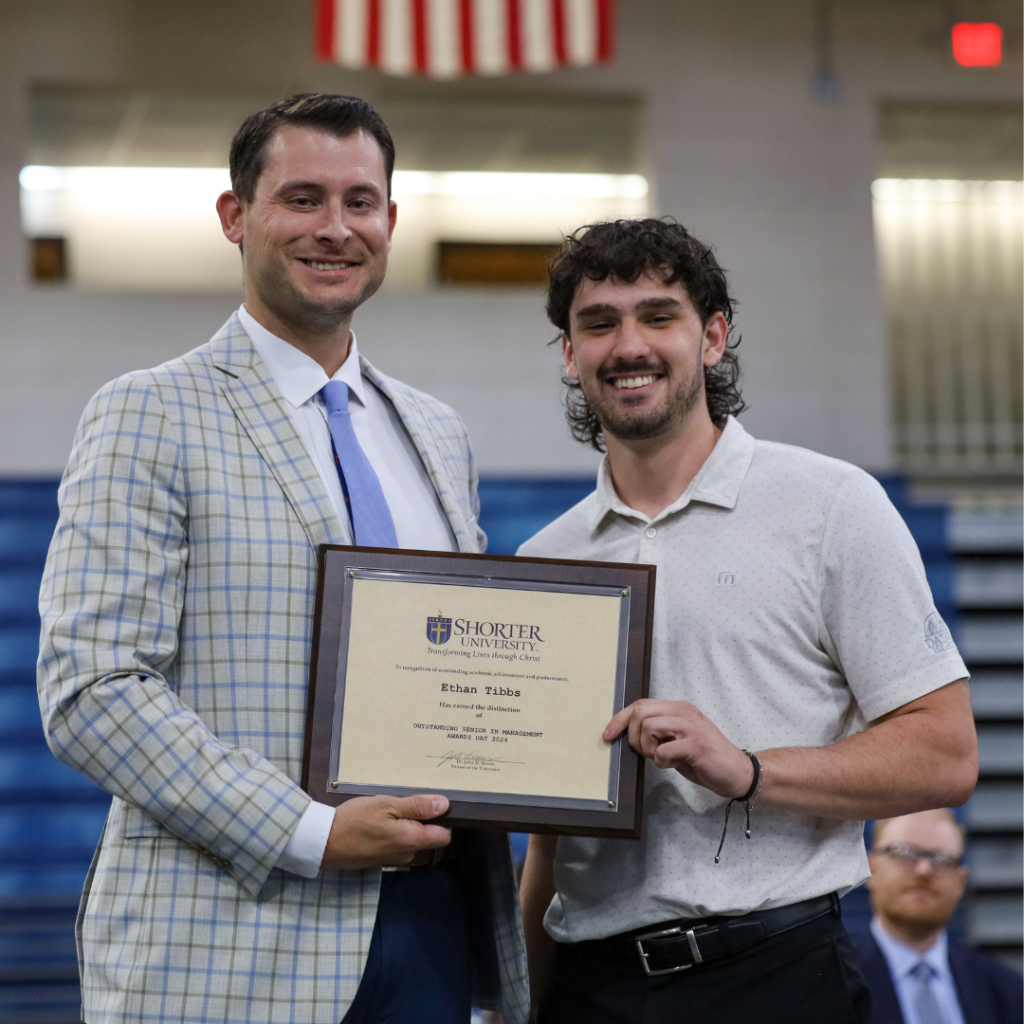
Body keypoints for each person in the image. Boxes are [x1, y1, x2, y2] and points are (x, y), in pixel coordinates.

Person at [37, 93, 528, 1024]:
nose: (335, 229)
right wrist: (309, 831)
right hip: (231, 939)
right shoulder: (148, 411)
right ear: (237, 216)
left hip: (430, 921)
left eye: (360, 202)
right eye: (302, 198)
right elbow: (90, 688)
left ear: (391, 220)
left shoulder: (436, 431)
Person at [516, 217, 979, 1024]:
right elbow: (554, 841)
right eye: (599, 323)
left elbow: (946, 753)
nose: (629, 345)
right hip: (591, 988)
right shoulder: (543, 560)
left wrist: (749, 769)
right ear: (570, 354)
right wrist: (517, 1000)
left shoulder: (832, 507)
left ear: (713, 338)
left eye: (658, 316)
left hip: (777, 976)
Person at [854, 809, 1023, 1024]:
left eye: (942, 859)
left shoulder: (1006, 992)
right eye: (905, 853)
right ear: (872, 869)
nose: (924, 869)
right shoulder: (833, 984)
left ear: (961, 881)